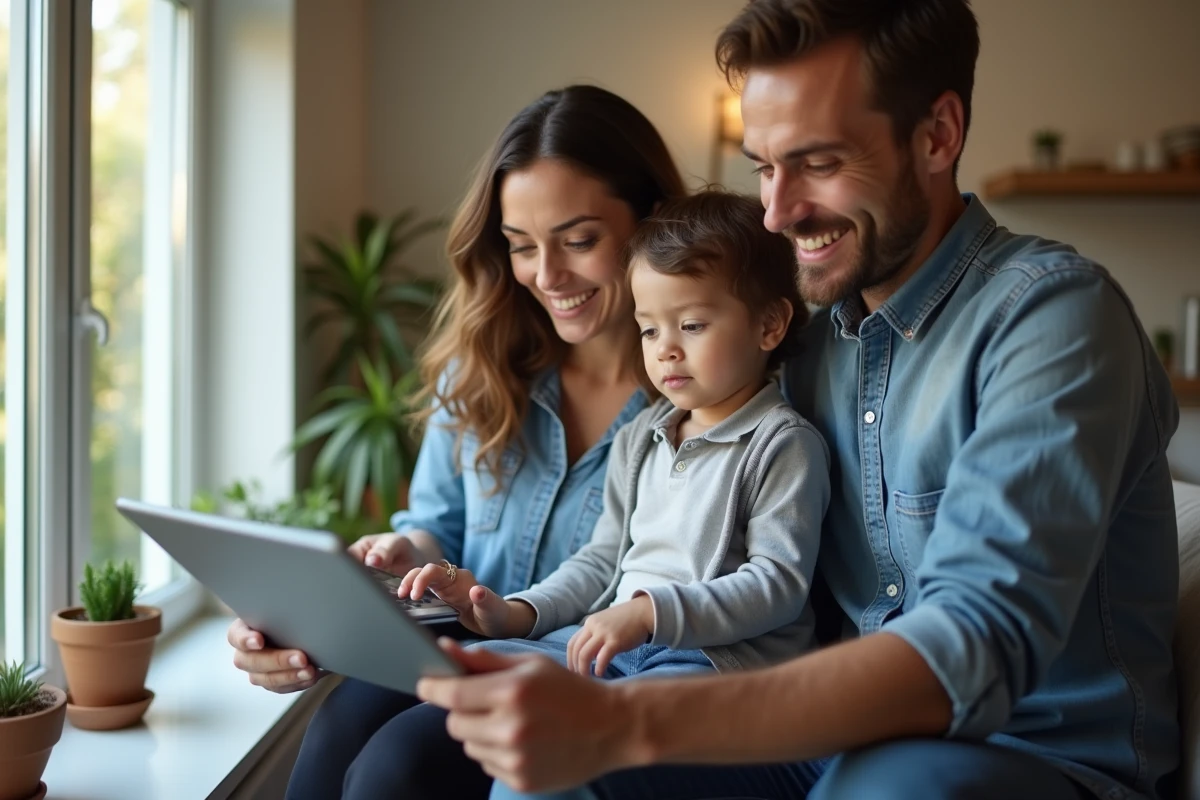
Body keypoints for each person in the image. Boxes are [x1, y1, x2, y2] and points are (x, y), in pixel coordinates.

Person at [414, 2, 1182, 799]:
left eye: (817, 163)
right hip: (828, 740)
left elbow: (974, 643)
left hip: (1027, 754)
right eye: (763, 167)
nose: (777, 212)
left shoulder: (1053, 318)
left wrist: (628, 718)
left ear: (938, 135)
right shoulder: (808, 352)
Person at [224, 84, 687, 799]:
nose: (547, 276)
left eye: (579, 240)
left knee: (396, 767)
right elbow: (437, 530)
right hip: (461, 654)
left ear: (651, 220)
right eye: (521, 246)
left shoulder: (707, 403)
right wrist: (404, 560)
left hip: (591, 684)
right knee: (342, 723)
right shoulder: (483, 369)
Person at [401, 190, 829, 683]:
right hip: (617, 644)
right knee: (462, 673)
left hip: (716, 662)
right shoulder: (639, 438)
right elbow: (603, 560)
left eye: (691, 325)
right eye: (648, 330)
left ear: (770, 324)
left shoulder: (783, 445)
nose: (665, 349)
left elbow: (777, 585)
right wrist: (518, 612)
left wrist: (648, 613)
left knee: (593, 714)